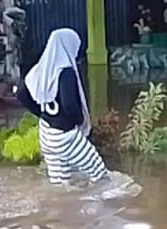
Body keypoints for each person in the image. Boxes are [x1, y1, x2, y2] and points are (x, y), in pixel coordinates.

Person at [16, 29, 110, 185]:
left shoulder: (41, 70)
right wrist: (79, 120)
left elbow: (21, 94)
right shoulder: (65, 72)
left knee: (61, 182)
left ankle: (61, 208)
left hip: (46, 134)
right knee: (100, 175)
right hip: (66, 136)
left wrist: (42, 113)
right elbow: (70, 106)